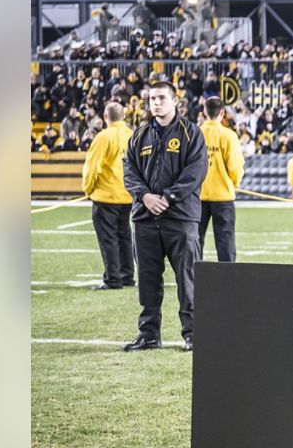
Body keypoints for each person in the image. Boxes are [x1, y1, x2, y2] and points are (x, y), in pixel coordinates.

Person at [121, 80, 208, 353]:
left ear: (175, 101)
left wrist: (168, 197)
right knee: (147, 279)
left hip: (181, 217)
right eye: (152, 99)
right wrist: (145, 196)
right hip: (145, 218)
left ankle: (194, 334)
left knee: (188, 278)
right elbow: (129, 170)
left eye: (161, 98)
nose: (155, 103)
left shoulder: (191, 133)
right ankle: (149, 334)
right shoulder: (139, 135)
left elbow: (196, 171)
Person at [81, 102, 135, 290]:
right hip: (128, 195)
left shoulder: (103, 137)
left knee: (108, 238)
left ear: (105, 116)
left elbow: (92, 166)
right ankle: (127, 276)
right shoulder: (133, 135)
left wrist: (88, 189)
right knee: (124, 235)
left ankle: (113, 279)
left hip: (106, 196)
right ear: (123, 116)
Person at [198, 97, 244, 261]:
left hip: (198, 196)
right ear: (222, 113)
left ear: (204, 112)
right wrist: (234, 183)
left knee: (195, 240)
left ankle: (192, 279)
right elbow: (235, 166)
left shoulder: (195, 133)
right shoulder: (228, 135)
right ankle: (227, 279)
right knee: (225, 241)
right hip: (223, 195)